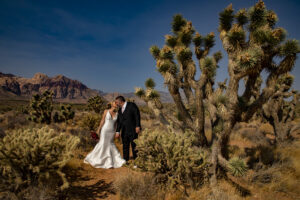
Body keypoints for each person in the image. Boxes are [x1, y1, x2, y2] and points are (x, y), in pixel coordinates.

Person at [84, 101, 126, 168]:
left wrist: (116, 132)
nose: (117, 104)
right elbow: (102, 120)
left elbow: (116, 125)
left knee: (110, 144)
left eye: (117, 104)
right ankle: (100, 160)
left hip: (112, 131)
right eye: (115, 103)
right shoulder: (106, 111)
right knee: (103, 143)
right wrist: (98, 130)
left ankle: (110, 161)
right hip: (105, 130)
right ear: (112, 104)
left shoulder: (117, 114)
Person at [115, 96, 141, 162]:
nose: (116, 104)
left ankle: (136, 161)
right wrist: (117, 131)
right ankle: (125, 160)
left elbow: (137, 115)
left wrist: (138, 126)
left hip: (133, 130)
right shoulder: (119, 110)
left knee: (134, 146)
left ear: (120, 101)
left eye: (116, 102)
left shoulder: (131, 105)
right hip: (124, 131)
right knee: (125, 146)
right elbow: (119, 121)